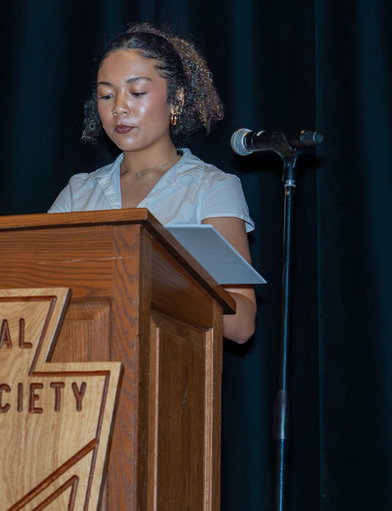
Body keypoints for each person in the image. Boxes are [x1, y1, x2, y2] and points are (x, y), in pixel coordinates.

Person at [48, 24, 256, 343]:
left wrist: (158, 276)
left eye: (137, 92)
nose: (118, 107)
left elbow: (241, 324)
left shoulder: (211, 187)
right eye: (106, 94)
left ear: (176, 99)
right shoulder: (79, 192)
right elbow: (35, 286)